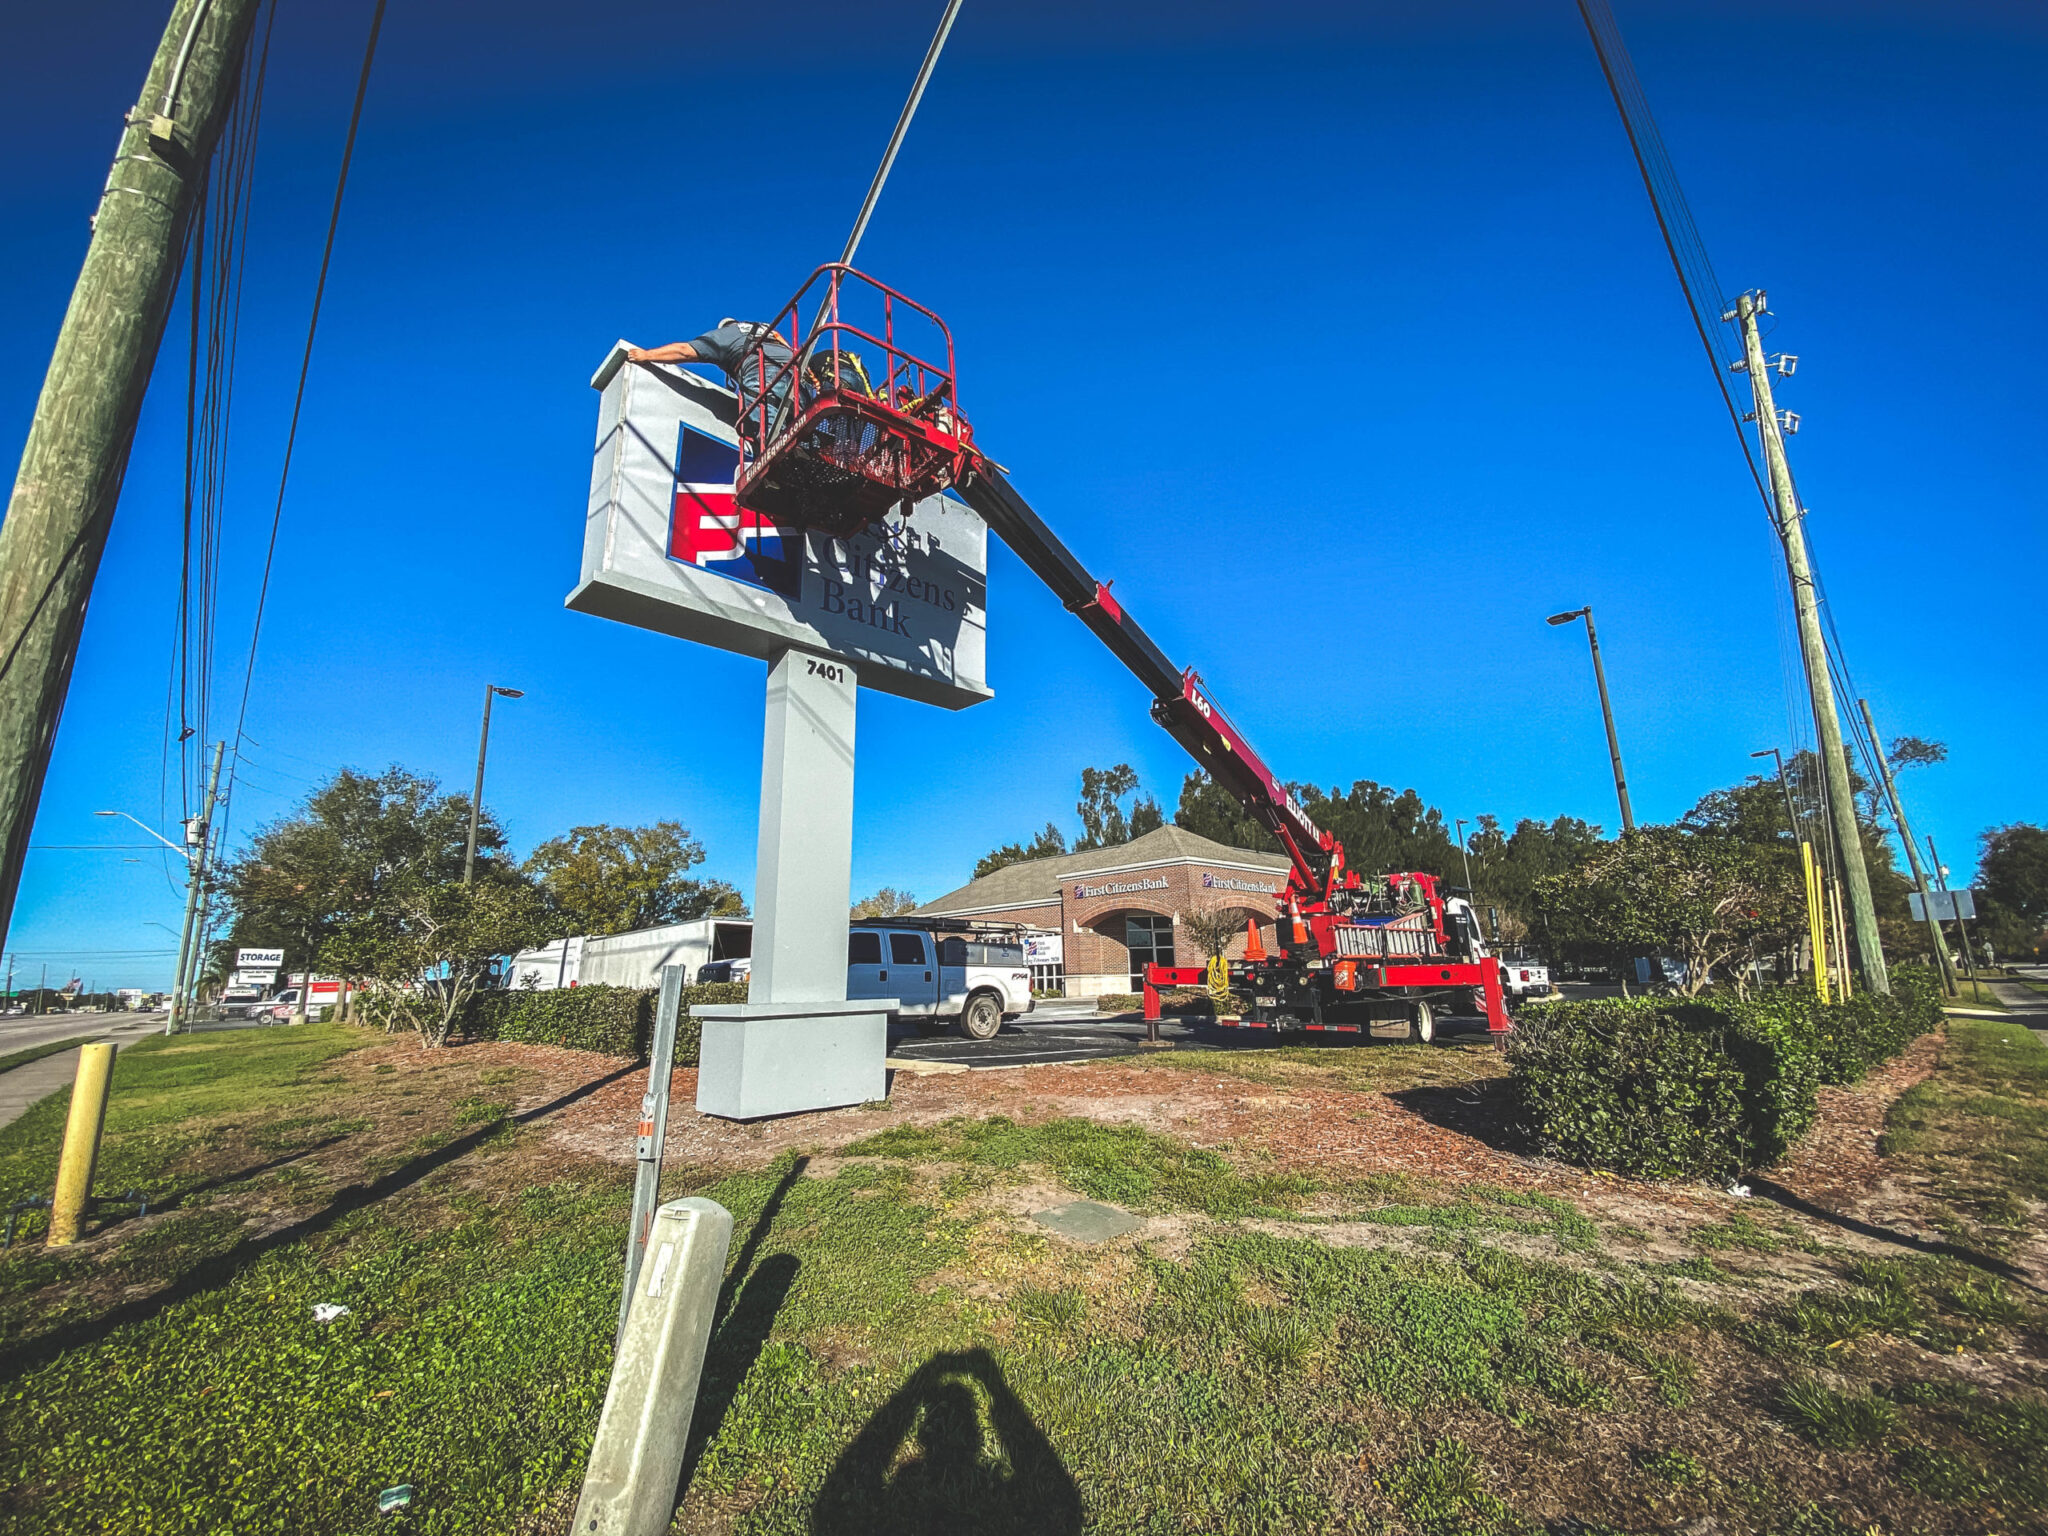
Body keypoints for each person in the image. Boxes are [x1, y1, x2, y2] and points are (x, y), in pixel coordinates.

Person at [626, 319, 795, 442]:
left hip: (764, 373)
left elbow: (685, 351)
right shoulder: (765, 329)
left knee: (773, 438)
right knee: (797, 424)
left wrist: (647, 355)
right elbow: (780, 337)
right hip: (797, 375)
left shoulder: (726, 335)